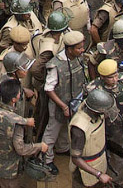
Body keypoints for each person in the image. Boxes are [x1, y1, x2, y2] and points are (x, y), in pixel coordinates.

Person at [0, 78, 48, 188]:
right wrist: (39, 146)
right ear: (14, 99)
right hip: (7, 170)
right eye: (19, 92)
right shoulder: (16, 122)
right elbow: (21, 149)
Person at [42, 30, 89, 172]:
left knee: (66, 127)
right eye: (79, 48)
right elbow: (48, 89)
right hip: (59, 104)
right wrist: (63, 106)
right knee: (52, 131)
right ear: (69, 49)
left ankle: (62, 148)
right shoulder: (55, 65)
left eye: (82, 47)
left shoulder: (79, 58)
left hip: (75, 101)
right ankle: (46, 159)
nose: (82, 50)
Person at [71, 87, 122, 186]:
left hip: (99, 163)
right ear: (97, 110)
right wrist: (98, 174)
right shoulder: (80, 128)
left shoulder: (98, 116)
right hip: (84, 172)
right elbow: (75, 158)